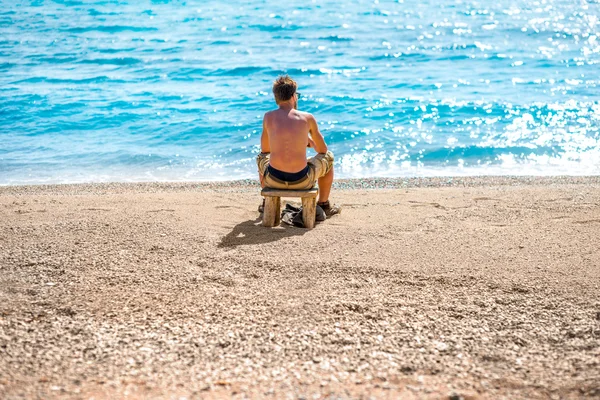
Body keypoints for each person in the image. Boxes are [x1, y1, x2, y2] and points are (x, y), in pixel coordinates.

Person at [257, 75, 341, 217]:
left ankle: (267, 201)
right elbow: (323, 150)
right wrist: (308, 141)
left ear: (276, 97)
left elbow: (265, 150)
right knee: (329, 158)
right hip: (302, 180)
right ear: (293, 96)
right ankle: (324, 204)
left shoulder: (268, 117)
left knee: (262, 157)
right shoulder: (307, 118)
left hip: (273, 180)